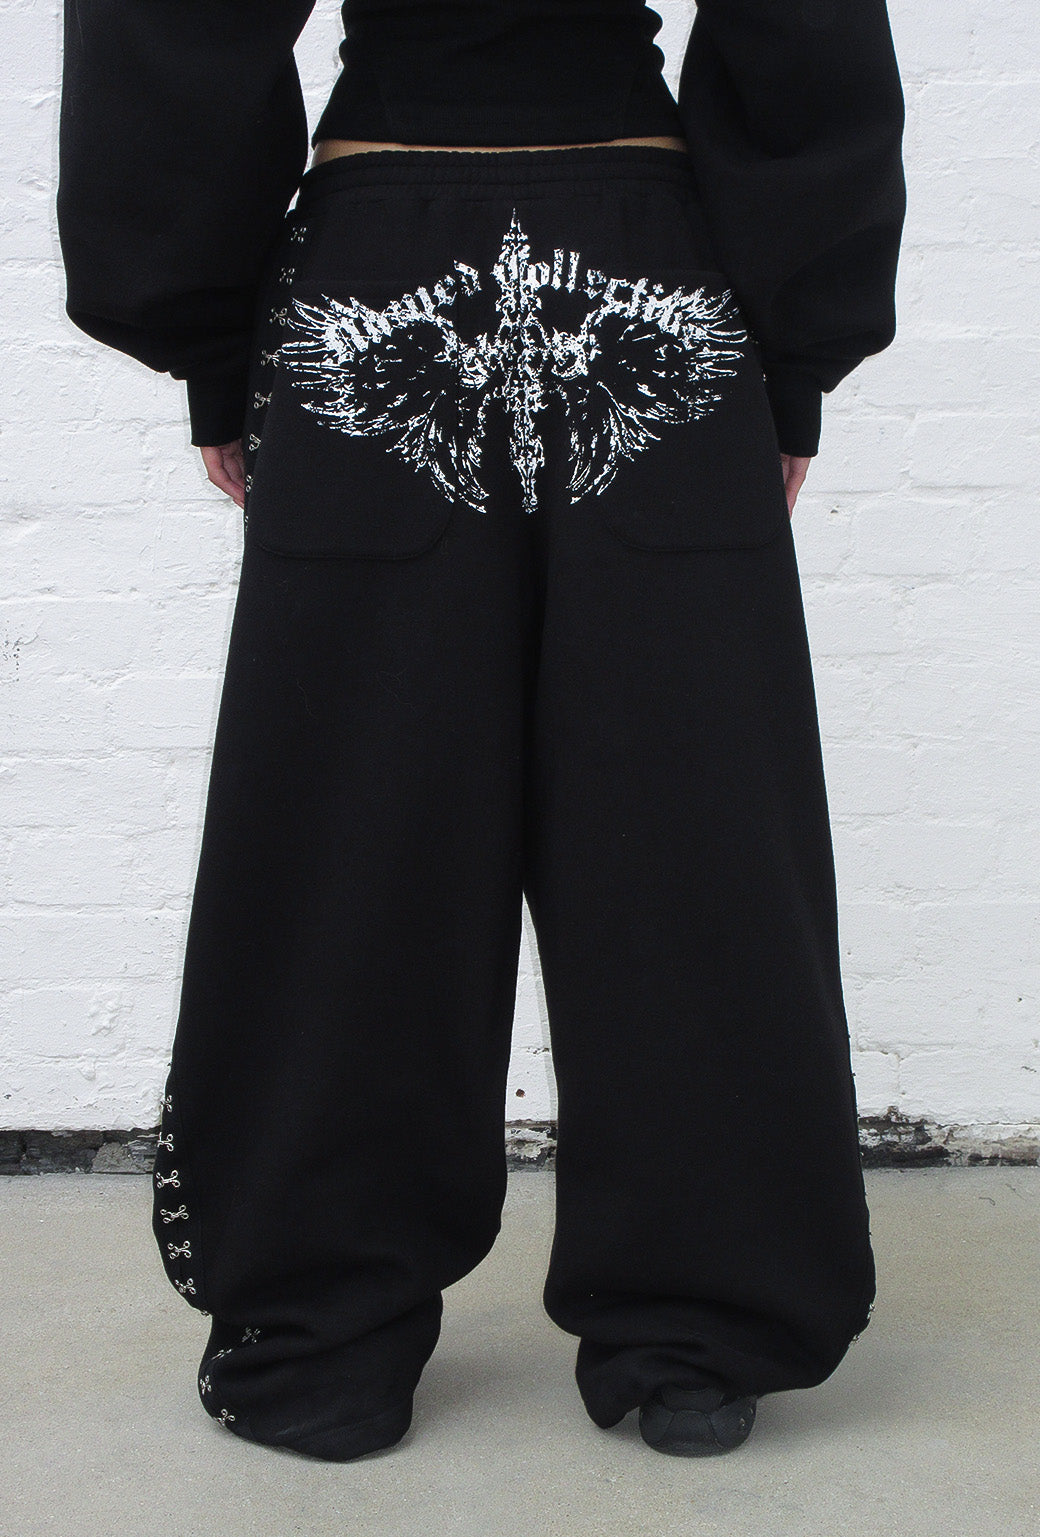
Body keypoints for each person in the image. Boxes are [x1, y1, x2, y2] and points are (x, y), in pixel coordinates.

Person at [56, 1, 907, 1462]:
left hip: (377, 255)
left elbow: (175, 18)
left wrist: (204, 322)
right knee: (689, 811)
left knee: (352, 816)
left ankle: (319, 1330)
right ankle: (698, 1325)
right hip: (648, 256)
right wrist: (796, 341)